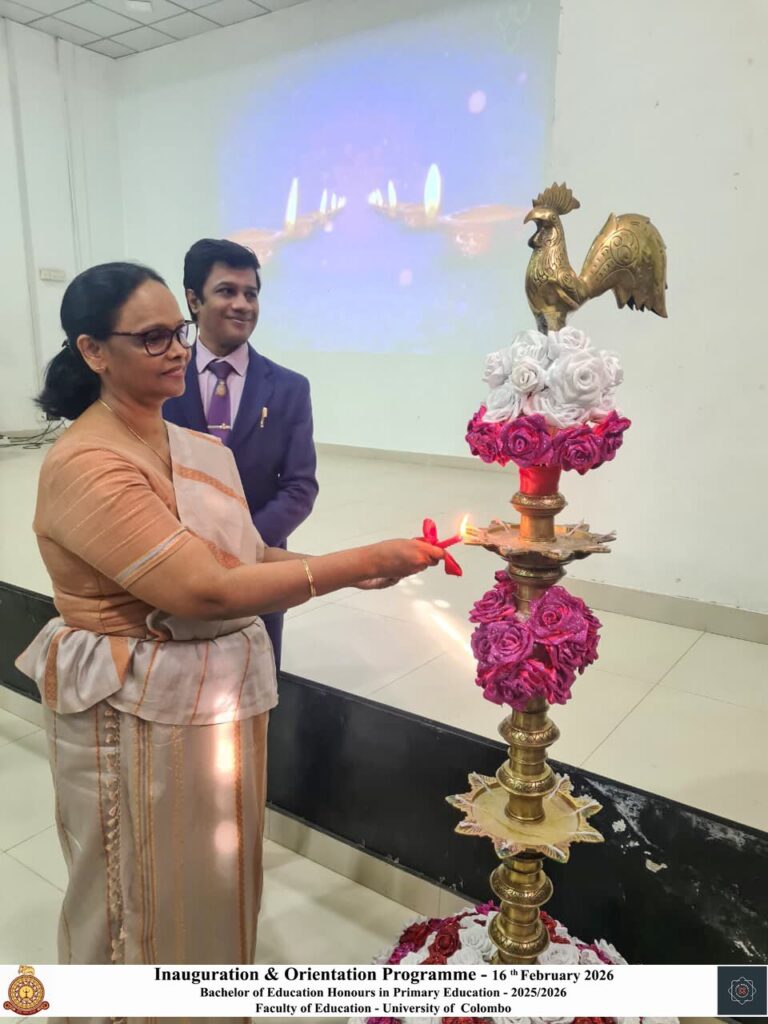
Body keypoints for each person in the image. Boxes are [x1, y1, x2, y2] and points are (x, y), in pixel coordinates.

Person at [16, 262, 443, 1008]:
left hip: (209, 707)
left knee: (212, 876)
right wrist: (357, 563)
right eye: (152, 337)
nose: (178, 350)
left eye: (177, 332)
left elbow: (239, 555)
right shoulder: (88, 462)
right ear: (93, 351)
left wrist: (347, 568)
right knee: (136, 892)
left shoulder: (185, 443)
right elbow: (202, 589)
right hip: (131, 712)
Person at [164, 238, 315, 668]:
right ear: (193, 300)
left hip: (260, 565)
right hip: (176, 564)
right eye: (227, 291)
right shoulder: (160, 379)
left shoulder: (288, 388)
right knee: (182, 675)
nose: (243, 305)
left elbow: (300, 486)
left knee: (258, 676)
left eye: (251, 294)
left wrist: (245, 545)